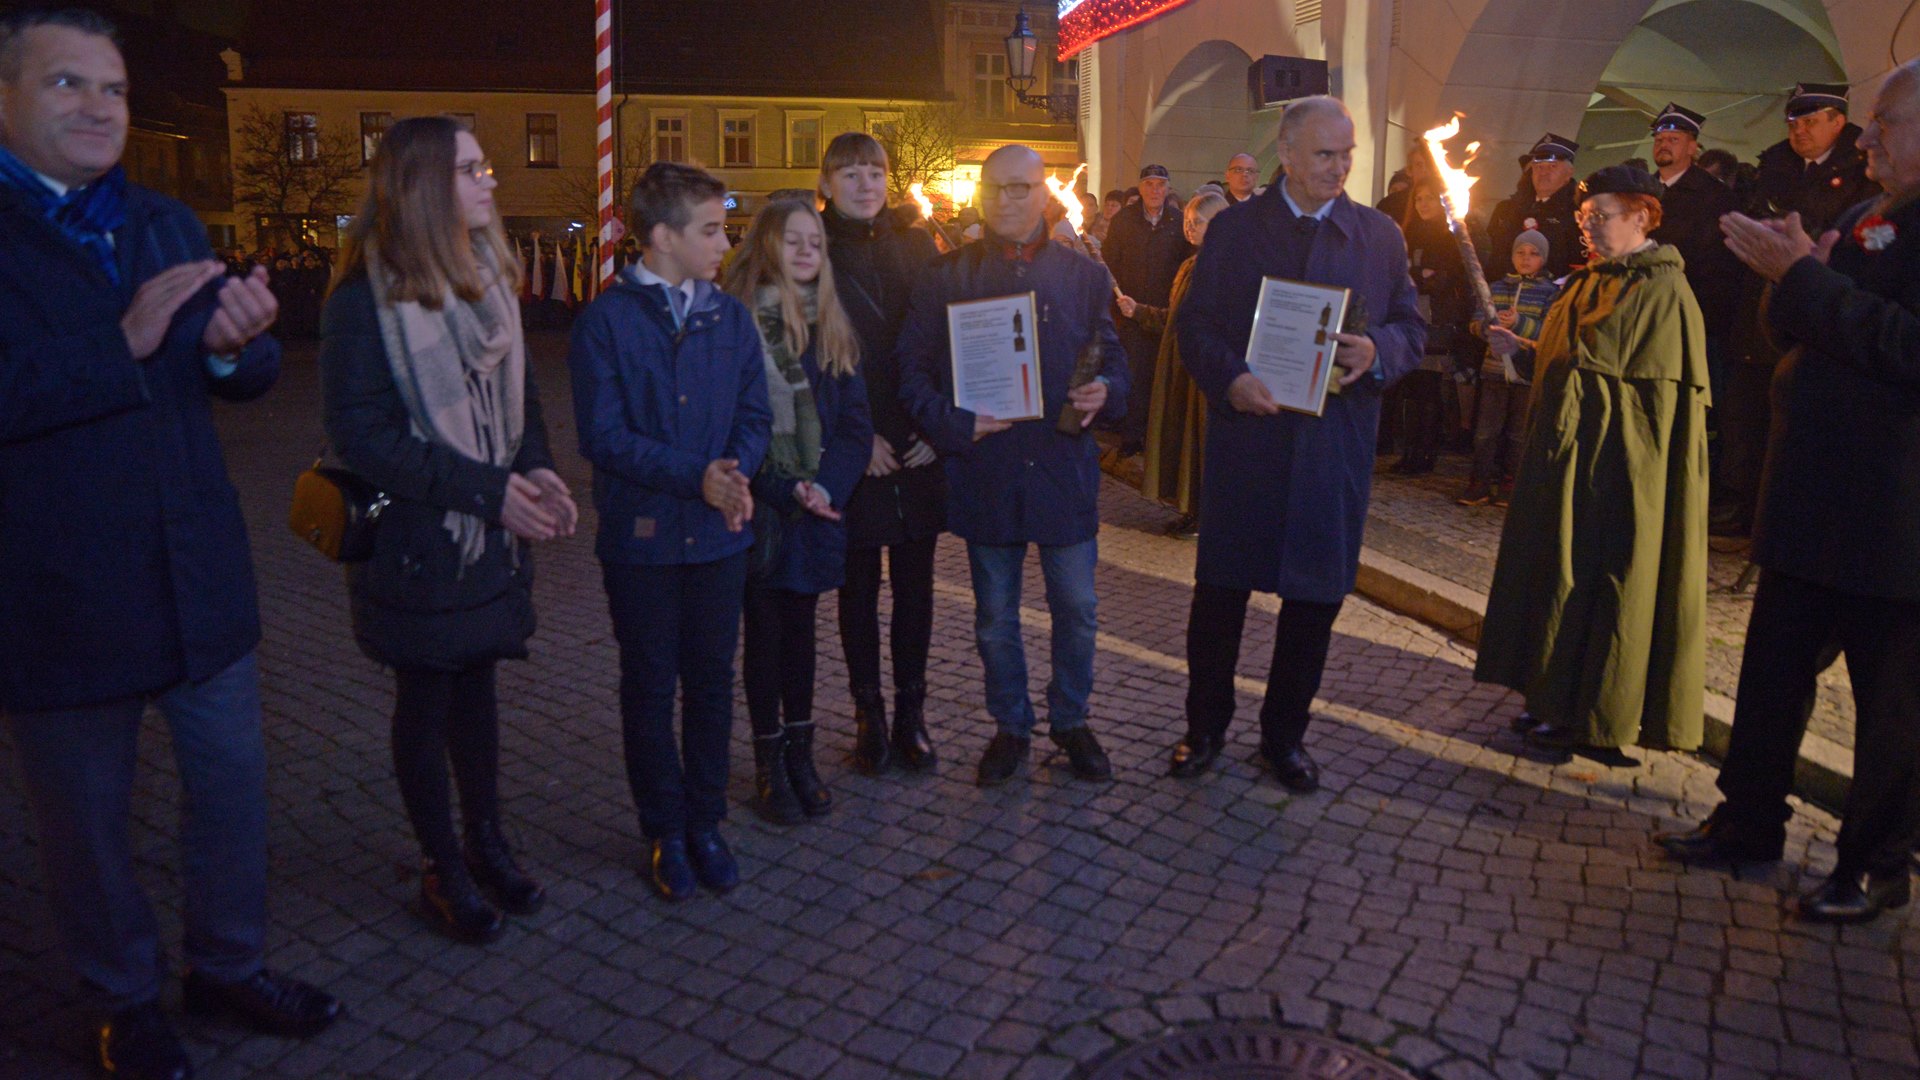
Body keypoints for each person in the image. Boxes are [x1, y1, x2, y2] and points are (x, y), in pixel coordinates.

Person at [0, 10, 339, 1078]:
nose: (100, 107)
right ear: (5, 96)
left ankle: (229, 965)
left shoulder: (164, 221)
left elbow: (226, 377)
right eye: (67, 84)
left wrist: (239, 351)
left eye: (114, 88)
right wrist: (122, 342)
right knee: (89, 824)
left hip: (197, 575)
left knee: (231, 786)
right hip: (56, 590)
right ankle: (122, 1001)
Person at [1658, 61, 1920, 924]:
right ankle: (1747, 820)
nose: (1868, 136)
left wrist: (1805, 279)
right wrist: (1788, 279)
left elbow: (1904, 347)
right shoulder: (1858, 216)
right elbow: (1795, 325)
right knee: (1771, 676)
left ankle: (1873, 865)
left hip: (1894, 517)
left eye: (1887, 122)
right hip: (1810, 497)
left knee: (1890, 709)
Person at [319, 116, 575, 944]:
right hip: (421, 544)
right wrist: (486, 491)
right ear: (425, 184)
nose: (491, 180)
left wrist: (533, 470)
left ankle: (487, 840)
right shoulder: (366, 298)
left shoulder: (489, 278)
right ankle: (443, 863)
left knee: (479, 692)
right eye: (472, 168)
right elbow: (365, 438)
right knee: (425, 702)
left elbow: (523, 403)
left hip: (487, 539)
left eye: (486, 164)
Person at [1169, 96, 1426, 787]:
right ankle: (1205, 728)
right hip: (1249, 442)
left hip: (1331, 450)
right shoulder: (1234, 232)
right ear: (1285, 154)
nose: (1339, 167)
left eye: (1347, 155)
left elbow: (1412, 323)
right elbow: (1194, 327)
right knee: (1221, 597)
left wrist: (1379, 349)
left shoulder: (1378, 236)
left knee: (1314, 603)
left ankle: (1284, 738)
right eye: (1324, 154)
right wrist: (1231, 380)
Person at [568, 161, 771, 900]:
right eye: (711, 229)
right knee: (651, 686)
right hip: (645, 542)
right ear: (661, 236)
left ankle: (705, 821)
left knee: (713, 685)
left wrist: (737, 471)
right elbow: (604, 436)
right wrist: (699, 478)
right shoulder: (605, 322)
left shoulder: (730, 316)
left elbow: (756, 414)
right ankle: (663, 828)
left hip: (719, 537)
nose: (725, 242)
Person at [898, 143, 1129, 788]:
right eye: (996, 188)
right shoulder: (945, 279)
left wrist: (1106, 389)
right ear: (980, 194)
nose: (1008, 200)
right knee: (995, 617)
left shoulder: (1084, 278)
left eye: (1021, 188)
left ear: (1042, 193)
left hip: (1061, 472)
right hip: (988, 472)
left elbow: (1113, 360)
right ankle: (1010, 725)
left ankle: (1071, 720)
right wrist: (951, 421)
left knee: (1077, 609)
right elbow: (910, 371)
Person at [1474, 166, 1710, 761]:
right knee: (1554, 572)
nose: (1590, 227)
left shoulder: (1661, 290)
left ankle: (1590, 711)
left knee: (1599, 580)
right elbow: (1568, 360)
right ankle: (1548, 694)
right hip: (1568, 455)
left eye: (1600, 216)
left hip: (1617, 469)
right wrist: (1521, 352)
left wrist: (1560, 372)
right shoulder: (1588, 281)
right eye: (1585, 218)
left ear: (1642, 215)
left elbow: (1641, 398)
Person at [723, 198, 872, 822]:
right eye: (793, 240)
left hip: (817, 512)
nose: (808, 250)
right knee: (764, 636)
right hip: (761, 512)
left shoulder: (833, 325)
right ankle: (767, 760)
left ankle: (801, 754)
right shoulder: (739, 325)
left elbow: (856, 428)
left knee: (803, 634)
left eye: (816, 241)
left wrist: (828, 489)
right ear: (766, 247)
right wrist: (788, 490)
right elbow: (734, 425)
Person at [817, 132, 946, 775]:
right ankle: (867, 712)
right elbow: (804, 358)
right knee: (859, 587)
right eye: (851, 175)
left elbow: (945, 336)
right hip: (854, 444)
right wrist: (852, 439)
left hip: (916, 439)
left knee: (917, 587)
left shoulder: (918, 244)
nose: (866, 185)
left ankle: (911, 712)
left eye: (875, 173)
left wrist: (936, 426)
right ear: (828, 184)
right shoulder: (812, 251)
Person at [1716, 82, 1883, 539]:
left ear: (1838, 122)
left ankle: (1778, 517)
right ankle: (1744, 502)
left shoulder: (1859, 176)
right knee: (1746, 415)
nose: (1800, 131)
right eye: (1793, 122)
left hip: (1817, 304)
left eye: (1811, 121)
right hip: (1761, 306)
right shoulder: (1775, 167)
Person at [1120, 191, 1229, 539]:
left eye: (1198, 222)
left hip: (1206, 373)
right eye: (1187, 221)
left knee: (1205, 444)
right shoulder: (1189, 266)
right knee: (1185, 442)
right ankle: (1192, 510)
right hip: (1180, 368)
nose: (1189, 228)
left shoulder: (1229, 268)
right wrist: (1137, 311)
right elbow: (1174, 321)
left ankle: (1211, 515)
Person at [1648, 103, 1743, 427]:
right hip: (1643, 314)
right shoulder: (1640, 190)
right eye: (1660, 138)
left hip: (1689, 316)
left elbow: (1720, 266)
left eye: (1673, 139)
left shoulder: (1714, 197)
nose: (1663, 144)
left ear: (1693, 146)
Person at [1458, 230, 1557, 507]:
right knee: (1486, 430)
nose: (1526, 259)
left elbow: (1548, 331)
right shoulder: (1497, 288)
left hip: (1526, 372)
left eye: (1533, 254)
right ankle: (1479, 481)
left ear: (1544, 259)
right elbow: (1477, 319)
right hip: (1494, 369)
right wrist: (1489, 328)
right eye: (1520, 253)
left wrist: (1519, 323)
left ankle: (1511, 482)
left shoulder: (1550, 293)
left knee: (1518, 431)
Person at [1103, 163, 1193, 458]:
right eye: (1149, 184)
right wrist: (1116, 302)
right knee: (1134, 374)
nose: (1155, 190)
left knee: (1160, 375)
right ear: (1140, 188)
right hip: (1130, 311)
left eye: (1160, 185)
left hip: (1163, 314)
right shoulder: (1124, 221)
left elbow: (1185, 264)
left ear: (1168, 189)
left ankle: (1158, 441)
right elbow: (1109, 263)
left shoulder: (1178, 222)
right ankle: (1131, 436)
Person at [1391, 183, 1475, 475]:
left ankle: (1426, 453)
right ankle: (1410, 451)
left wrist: (1422, 275)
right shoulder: (1408, 234)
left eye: (1429, 199)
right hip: (1410, 315)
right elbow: (1401, 274)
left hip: (1436, 320)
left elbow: (1442, 279)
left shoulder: (1448, 238)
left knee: (1430, 389)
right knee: (1411, 388)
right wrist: (1419, 273)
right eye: (1419, 199)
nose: (1423, 204)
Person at [1485, 133, 1583, 281]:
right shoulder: (1506, 210)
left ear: (1569, 173)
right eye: (1538, 167)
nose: (1543, 173)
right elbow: (1491, 254)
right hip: (1500, 295)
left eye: (1552, 166)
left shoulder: (1578, 213)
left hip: (1552, 298)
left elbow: (1580, 264)